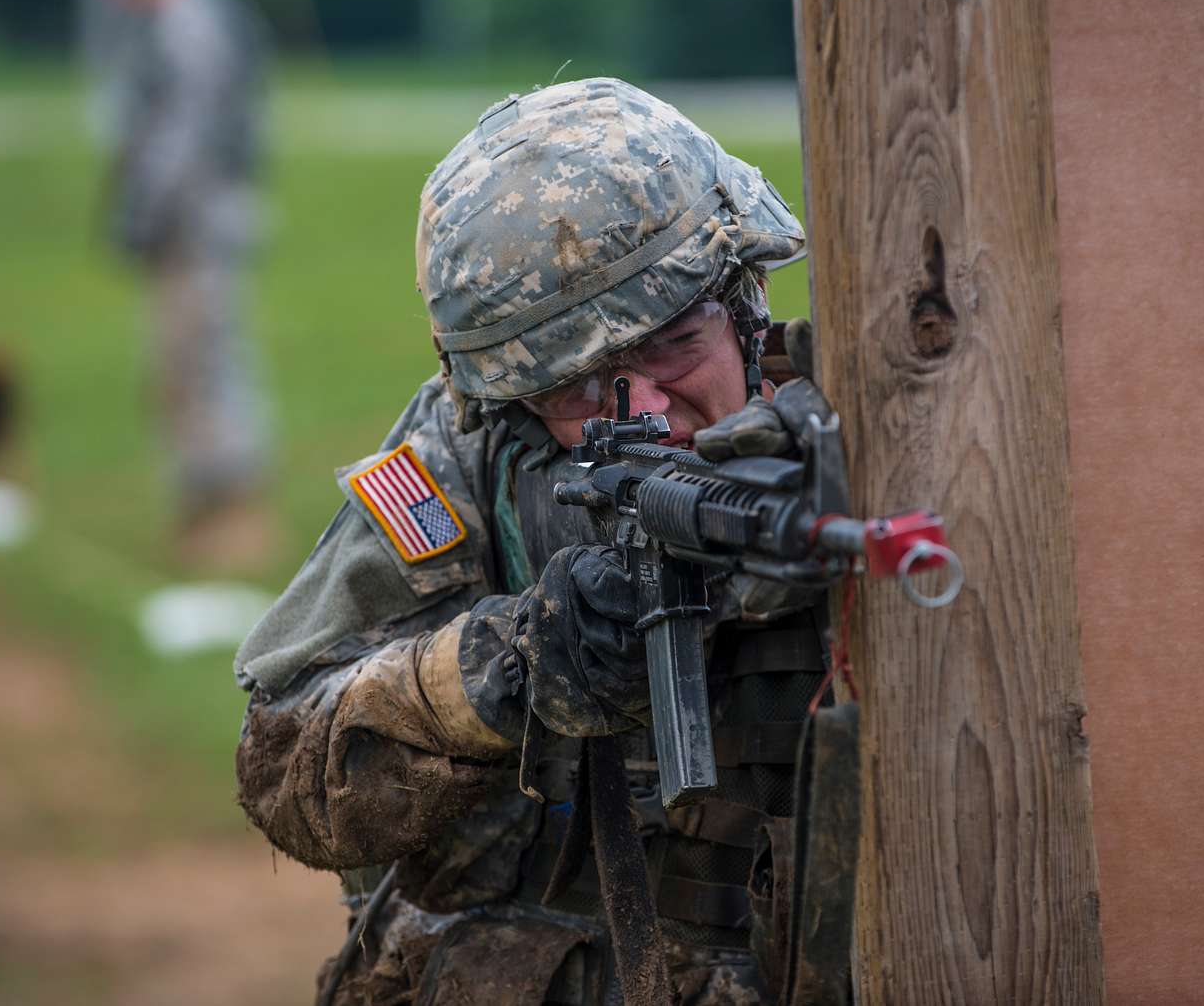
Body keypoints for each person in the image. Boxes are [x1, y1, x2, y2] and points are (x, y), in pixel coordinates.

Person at [234, 78, 837, 1004]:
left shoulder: (869, 427)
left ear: (746, 300)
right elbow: (284, 765)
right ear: (513, 396)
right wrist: (502, 668)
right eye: (575, 389)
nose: (642, 412)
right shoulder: (471, 462)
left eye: (675, 343)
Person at [94, 0, 273, 569]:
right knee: (183, 362)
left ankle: (228, 503)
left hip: (197, 223)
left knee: (203, 360)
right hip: (190, 220)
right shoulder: (180, 11)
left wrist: (139, 210)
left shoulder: (187, 14)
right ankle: (206, 498)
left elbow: (186, 130)